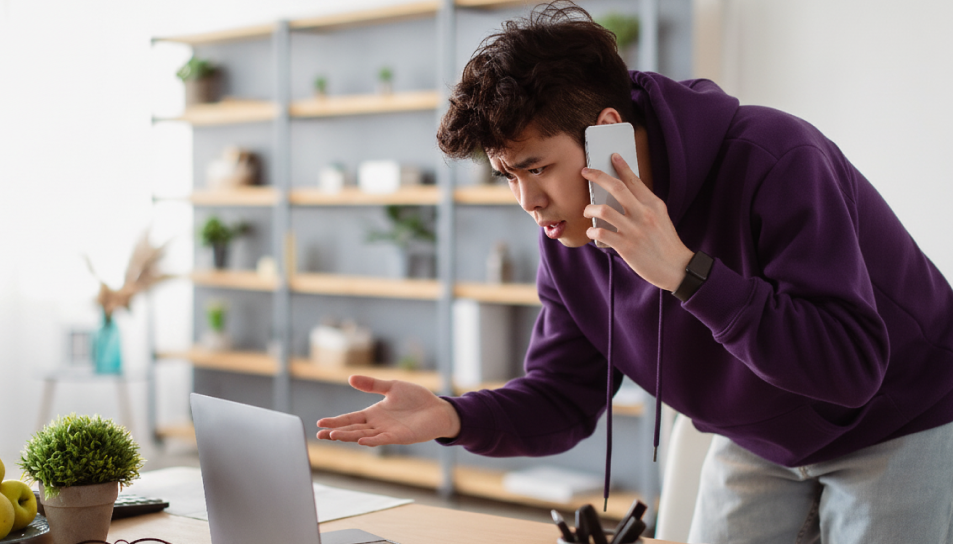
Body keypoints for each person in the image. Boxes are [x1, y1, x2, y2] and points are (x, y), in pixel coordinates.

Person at [316, 3, 953, 542]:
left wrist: (685, 273)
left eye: (537, 168)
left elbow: (849, 370)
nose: (527, 203)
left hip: (900, 418)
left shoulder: (776, 158)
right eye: (508, 175)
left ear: (607, 136)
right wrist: (451, 417)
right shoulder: (570, 231)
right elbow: (566, 395)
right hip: (758, 438)